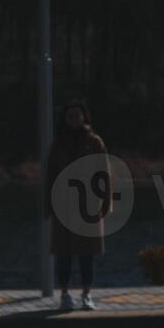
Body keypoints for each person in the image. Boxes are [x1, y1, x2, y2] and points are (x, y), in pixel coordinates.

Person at [43, 99, 109, 311]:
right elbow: (50, 176)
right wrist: (47, 204)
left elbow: (103, 174)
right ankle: (64, 294)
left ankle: (87, 294)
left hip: (88, 204)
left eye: (77, 115)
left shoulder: (94, 142)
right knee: (64, 253)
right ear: (65, 119)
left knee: (87, 254)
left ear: (84, 117)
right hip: (63, 204)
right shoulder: (58, 144)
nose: (73, 119)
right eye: (70, 116)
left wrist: (105, 201)